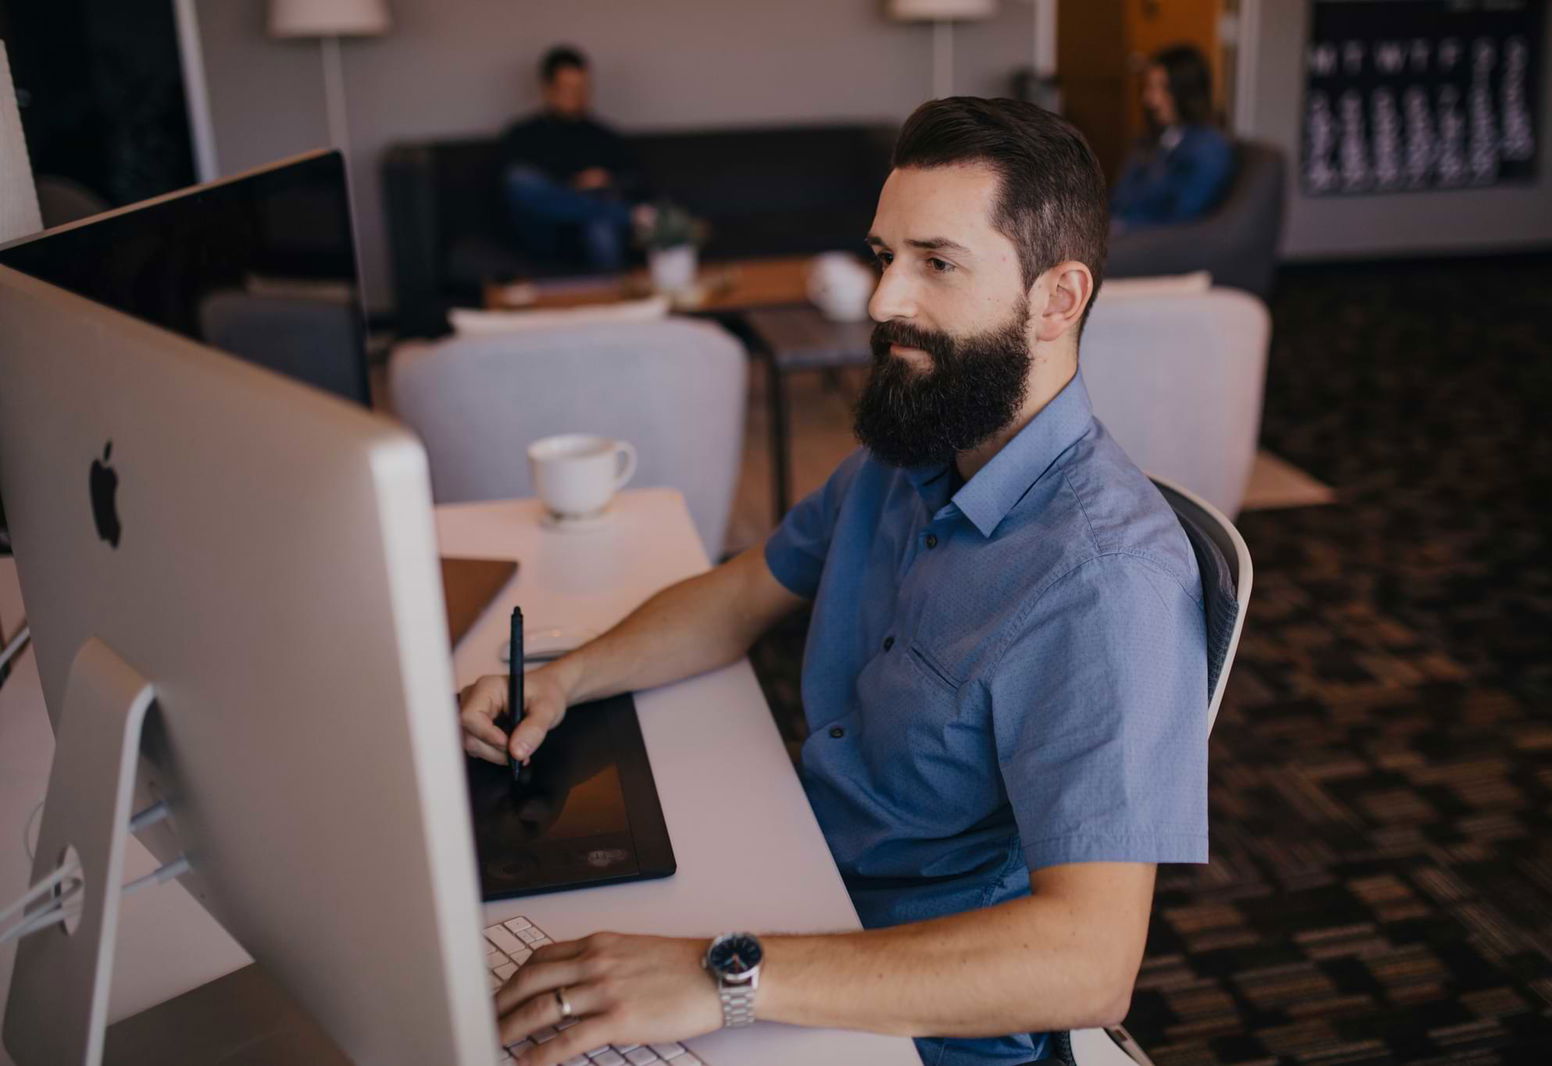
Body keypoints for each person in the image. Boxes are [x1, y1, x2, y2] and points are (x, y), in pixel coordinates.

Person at [459, 97, 1209, 1066]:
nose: (881, 299)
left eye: (935, 263)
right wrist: (565, 679)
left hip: (908, 1014)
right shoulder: (912, 453)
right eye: (882, 255)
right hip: (795, 893)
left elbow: (1089, 961)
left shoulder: (1106, 578)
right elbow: (738, 596)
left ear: (1057, 298)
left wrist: (721, 975)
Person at [501, 46, 645, 272]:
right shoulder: (523, 135)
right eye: (567, 89)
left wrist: (606, 180)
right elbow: (516, 194)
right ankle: (623, 215)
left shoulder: (604, 136)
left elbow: (636, 180)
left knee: (600, 224)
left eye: (582, 88)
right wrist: (570, 187)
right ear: (548, 89)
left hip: (591, 230)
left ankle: (610, 299)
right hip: (543, 231)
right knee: (520, 181)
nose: (576, 96)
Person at [1111, 44, 1236, 231]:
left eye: (1161, 89)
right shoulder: (1155, 140)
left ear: (1185, 92)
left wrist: (1120, 230)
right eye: (1148, 88)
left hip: (1151, 245)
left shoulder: (1207, 148)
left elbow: (1182, 218)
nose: (1150, 99)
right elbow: (1120, 199)